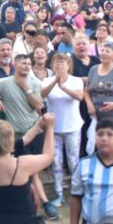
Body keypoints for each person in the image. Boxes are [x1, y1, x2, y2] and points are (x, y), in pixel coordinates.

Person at [0, 117, 54, 224]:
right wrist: (49, 127)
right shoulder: (21, 165)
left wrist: (39, 125)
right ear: (10, 140)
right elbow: (48, 157)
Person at [41, 53, 84, 206]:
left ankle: (78, 191)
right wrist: (55, 81)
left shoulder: (76, 80)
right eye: (55, 62)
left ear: (68, 65)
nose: (58, 64)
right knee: (56, 161)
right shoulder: (47, 80)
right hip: (54, 129)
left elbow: (79, 96)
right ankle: (59, 193)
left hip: (72, 126)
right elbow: (42, 94)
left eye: (62, 62)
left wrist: (63, 87)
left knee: (73, 161)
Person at [70, 118, 113, 224]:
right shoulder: (84, 165)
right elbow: (76, 197)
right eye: (100, 134)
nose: (104, 138)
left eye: (110, 134)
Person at [84, 42, 113, 152]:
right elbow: (87, 92)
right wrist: (89, 105)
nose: (104, 53)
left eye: (107, 51)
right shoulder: (93, 69)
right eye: (102, 50)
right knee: (100, 149)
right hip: (98, 118)